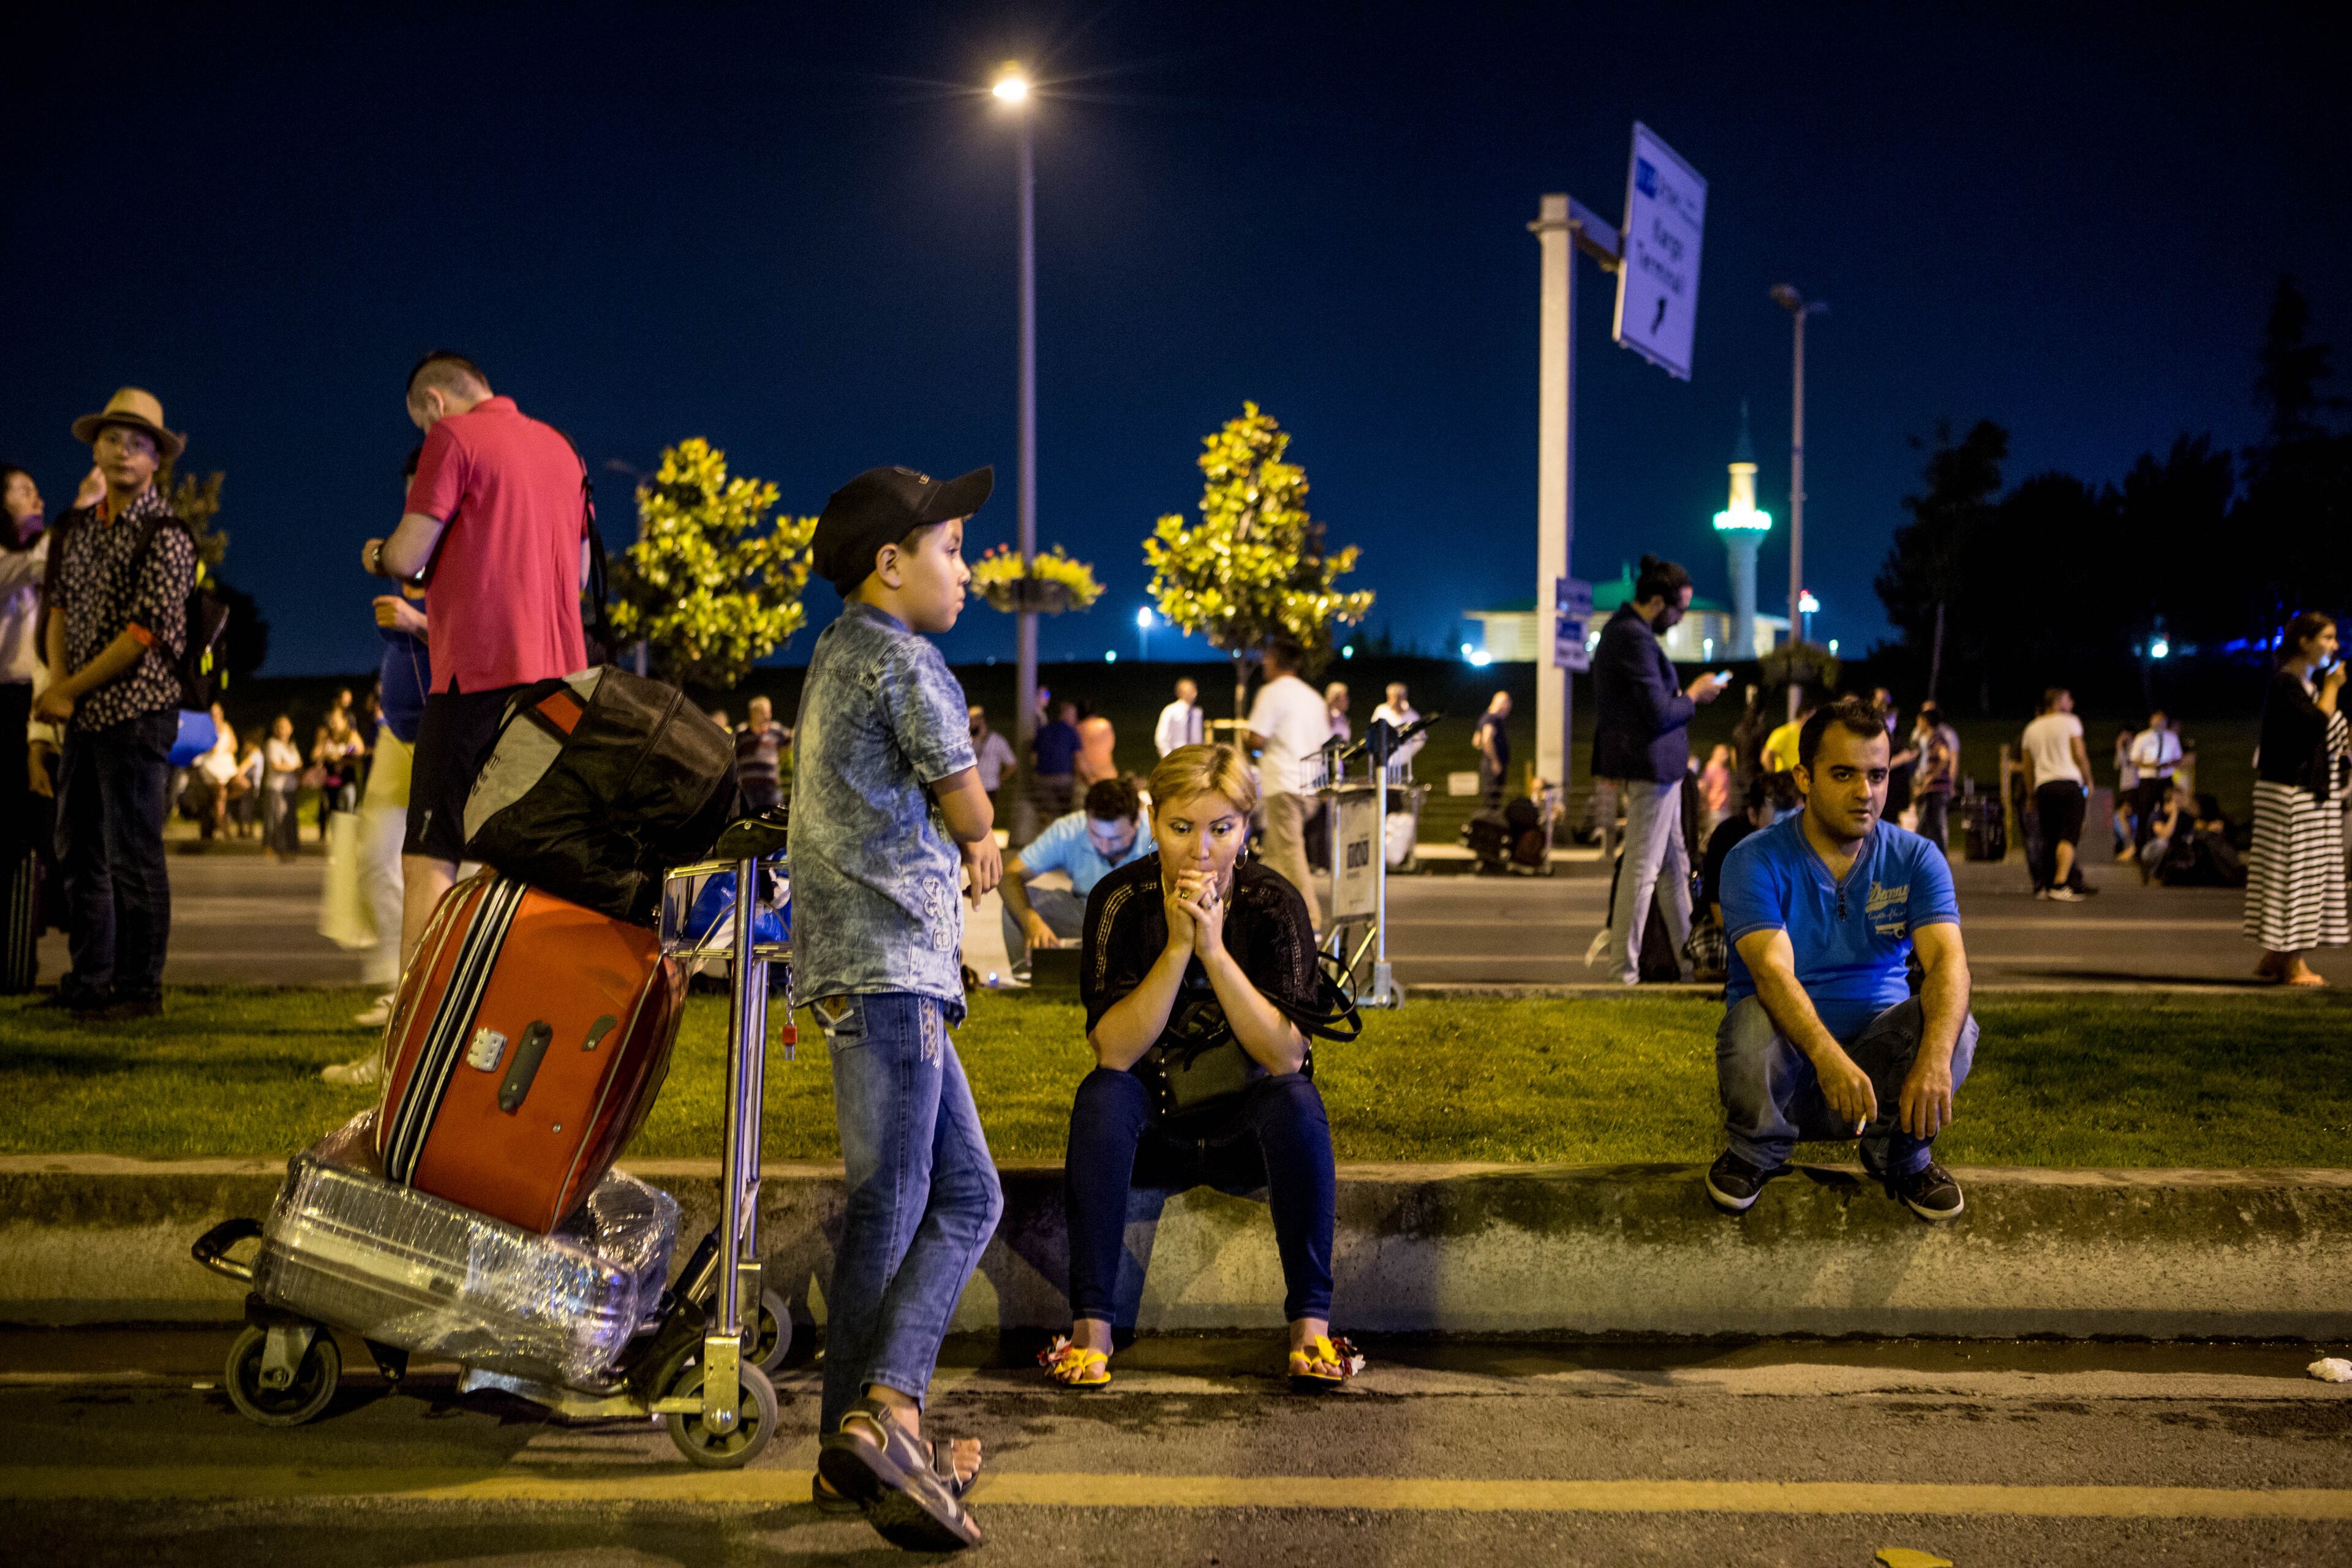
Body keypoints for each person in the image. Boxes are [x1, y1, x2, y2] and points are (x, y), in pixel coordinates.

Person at [795, 463, 1002, 1550]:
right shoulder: (910, 662)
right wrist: (985, 836)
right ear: (892, 564)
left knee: (967, 1195)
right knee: (905, 1202)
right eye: (952, 549)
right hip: (894, 972)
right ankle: (894, 1409)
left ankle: (852, 1446)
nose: (964, 571)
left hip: (857, 968)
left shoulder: (832, 656)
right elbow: (967, 798)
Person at [1043, 742, 1358, 1395]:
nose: (1201, 850)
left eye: (1222, 828)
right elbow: (1115, 1050)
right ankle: (1091, 1331)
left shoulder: (1274, 904)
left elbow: (1285, 1055)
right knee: (1101, 1095)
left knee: (1298, 1101)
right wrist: (1178, 947)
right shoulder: (1119, 901)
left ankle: (1310, 1329)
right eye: (1181, 828)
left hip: (1248, 1124)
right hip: (1154, 1124)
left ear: (1246, 827)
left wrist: (1213, 952)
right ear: (1153, 822)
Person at [360, 353, 589, 977]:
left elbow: (409, 557)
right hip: (562, 682)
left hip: (477, 677)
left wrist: (377, 553)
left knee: (431, 853)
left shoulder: (452, 436)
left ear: (435, 402)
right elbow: (582, 574)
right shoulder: (562, 449)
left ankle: (414, 1039)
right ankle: (503, 1016)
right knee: (515, 855)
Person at [1706, 695, 1977, 1223]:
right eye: (1843, 774)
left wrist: (1934, 1058)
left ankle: (1901, 1157)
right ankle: (1756, 1152)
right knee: (1753, 1021)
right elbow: (1771, 971)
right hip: (1785, 1076)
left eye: (1877, 776)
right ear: (1804, 779)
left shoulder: (1916, 857)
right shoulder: (1753, 859)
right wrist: (1830, 1060)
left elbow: (1948, 962)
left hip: (1878, 1082)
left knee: (1955, 1023)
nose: (1865, 793)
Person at [32, 389, 198, 1022]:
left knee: (134, 855)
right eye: (112, 439)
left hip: (136, 713)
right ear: (95, 451)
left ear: (156, 458)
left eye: (138, 442)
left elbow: (143, 633)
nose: (123, 451)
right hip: (83, 716)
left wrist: (65, 691)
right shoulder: (77, 528)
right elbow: (60, 609)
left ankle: (138, 987)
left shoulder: (168, 533)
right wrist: (60, 682)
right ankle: (91, 978)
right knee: (78, 850)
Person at [1591, 554, 1729, 987]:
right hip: (1651, 766)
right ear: (1656, 601)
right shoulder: (1632, 638)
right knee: (1643, 869)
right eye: (1680, 609)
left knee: (1674, 869)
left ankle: (1693, 963)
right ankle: (1624, 974)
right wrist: (1695, 694)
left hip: (1658, 768)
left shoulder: (1630, 634)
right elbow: (1657, 711)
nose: (1681, 618)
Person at [324, 563, 433, 1077]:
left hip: (451, 723)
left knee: (442, 872)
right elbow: (379, 556)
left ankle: (426, 1020)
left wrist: (416, 622)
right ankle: (400, 994)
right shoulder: (417, 546)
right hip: (400, 731)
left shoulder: (468, 541)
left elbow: (491, 633)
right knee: (374, 859)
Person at [2245, 611, 2347, 987]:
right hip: (2291, 795)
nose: (2335, 647)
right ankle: (2292, 962)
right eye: (2328, 638)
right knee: (2294, 877)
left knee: (2298, 877)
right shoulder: (2288, 684)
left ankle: (2276, 955)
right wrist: (2334, 686)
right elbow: (2316, 725)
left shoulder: (2300, 685)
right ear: (2304, 642)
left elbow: (2326, 734)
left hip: (2300, 794)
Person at [998, 776, 1155, 976]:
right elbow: (1010, 876)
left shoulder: (1155, 835)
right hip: (1087, 912)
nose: (1105, 847)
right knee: (1018, 906)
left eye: (1115, 839)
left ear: (1136, 822)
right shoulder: (1069, 830)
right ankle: (1028, 979)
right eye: (1096, 836)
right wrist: (1030, 920)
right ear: (1087, 817)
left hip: (1143, 919)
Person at [1244, 636, 1332, 932]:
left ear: (1274, 661)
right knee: (1273, 857)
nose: (1263, 664)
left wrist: (1252, 749)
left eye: (1266, 659)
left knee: (1291, 856)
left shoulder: (1272, 694)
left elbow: (1256, 738)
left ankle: (1312, 922)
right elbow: (1325, 744)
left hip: (1284, 784)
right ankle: (1266, 919)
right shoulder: (1314, 698)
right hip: (1309, 786)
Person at [2, 465, 52, 938]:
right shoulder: (10, 562)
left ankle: (20, 950)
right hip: (6, 702)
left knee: (33, 829)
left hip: (29, 703)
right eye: (23, 492)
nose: (37, 500)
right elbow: (40, 562)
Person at [2021, 687, 2094, 901]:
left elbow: (2027, 766)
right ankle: (2060, 884)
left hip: (2044, 786)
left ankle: (2045, 883)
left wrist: (2030, 794)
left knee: (2049, 836)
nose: (2071, 703)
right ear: (2058, 701)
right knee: (2069, 835)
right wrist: (2088, 780)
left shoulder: (2031, 728)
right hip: (2068, 783)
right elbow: (2079, 754)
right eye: (2069, 699)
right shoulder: (2070, 722)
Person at [2128, 710, 2183, 850]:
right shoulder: (2143, 737)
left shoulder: (2172, 738)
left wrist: (2167, 764)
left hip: (2165, 777)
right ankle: (2140, 844)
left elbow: (2178, 757)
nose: (2159, 723)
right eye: (2156, 720)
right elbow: (2134, 759)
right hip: (2148, 778)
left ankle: (2170, 840)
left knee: (2168, 808)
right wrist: (2150, 765)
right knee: (2145, 810)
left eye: (2162, 721)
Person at [309, 707, 365, 836]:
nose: (332, 722)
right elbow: (315, 755)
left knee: (347, 813)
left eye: (335, 719)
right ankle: (336, 841)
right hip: (330, 781)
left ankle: (346, 840)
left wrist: (344, 755)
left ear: (344, 720)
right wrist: (328, 754)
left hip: (347, 780)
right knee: (333, 812)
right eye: (331, 719)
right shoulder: (326, 735)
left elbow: (360, 750)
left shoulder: (350, 735)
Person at [1910, 704, 1958, 850]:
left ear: (1926, 722)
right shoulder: (1930, 739)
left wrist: (1931, 778)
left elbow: (1945, 758)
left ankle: (1937, 860)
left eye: (1921, 720)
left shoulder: (1937, 739)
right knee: (1929, 828)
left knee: (1933, 828)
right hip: (1932, 789)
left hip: (1937, 790)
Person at [734, 694, 790, 814]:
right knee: (750, 818)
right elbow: (733, 754)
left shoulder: (776, 730)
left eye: (769, 712)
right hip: (748, 788)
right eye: (764, 712)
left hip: (771, 787)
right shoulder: (741, 733)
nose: (768, 716)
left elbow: (789, 742)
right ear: (754, 713)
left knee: (775, 816)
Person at [262, 716, 303, 858]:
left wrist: (292, 767)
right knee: (274, 818)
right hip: (276, 787)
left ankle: (291, 847)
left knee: (289, 819)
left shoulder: (292, 746)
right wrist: (292, 766)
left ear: (291, 729)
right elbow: (275, 765)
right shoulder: (272, 744)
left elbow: (299, 765)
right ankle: (270, 846)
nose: (283, 730)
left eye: (286, 727)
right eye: (280, 727)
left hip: (290, 788)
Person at [1033, 699, 1081, 818]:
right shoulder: (1071, 732)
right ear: (1064, 715)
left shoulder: (1043, 731)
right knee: (1067, 813)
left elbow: (1033, 756)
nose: (1075, 719)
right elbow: (1078, 758)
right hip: (1065, 779)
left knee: (1052, 814)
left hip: (1043, 779)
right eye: (1073, 715)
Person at [1368, 682, 1425, 771]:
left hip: (1403, 763)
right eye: (1393, 696)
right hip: (1381, 762)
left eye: (1400, 697)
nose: (1396, 700)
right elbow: (1372, 733)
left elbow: (1421, 739)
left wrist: (1408, 753)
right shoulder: (1381, 711)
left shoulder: (1413, 716)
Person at [967, 704, 1016, 804]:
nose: (970, 724)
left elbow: (1012, 764)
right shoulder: (966, 740)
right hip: (969, 788)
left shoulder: (997, 740)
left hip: (989, 788)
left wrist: (999, 780)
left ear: (982, 721)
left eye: (973, 721)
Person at [1472, 691, 1512, 806]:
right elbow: (1486, 739)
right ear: (1503, 704)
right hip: (1493, 766)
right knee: (1493, 800)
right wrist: (1495, 761)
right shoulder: (1492, 719)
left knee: (1491, 798)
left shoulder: (1485, 717)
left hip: (1489, 765)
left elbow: (1476, 742)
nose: (1508, 710)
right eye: (1508, 706)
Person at [1154, 677, 1204, 758]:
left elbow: (1198, 738)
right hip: (1175, 756)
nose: (1194, 694)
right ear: (1181, 693)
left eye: (1194, 690)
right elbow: (1161, 737)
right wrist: (1168, 757)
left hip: (1193, 757)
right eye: (1190, 691)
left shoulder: (1197, 713)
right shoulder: (1171, 711)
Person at [1074, 711, 1118, 789]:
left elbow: (1078, 755)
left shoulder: (1078, 728)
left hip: (1087, 777)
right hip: (1107, 774)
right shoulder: (1105, 725)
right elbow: (1111, 744)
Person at [1324, 681, 1352, 745]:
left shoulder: (1342, 717)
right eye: (1345, 698)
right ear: (1334, 700)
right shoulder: (1329, 717)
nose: (1348, 701)